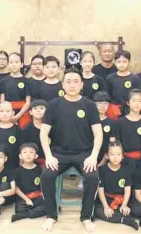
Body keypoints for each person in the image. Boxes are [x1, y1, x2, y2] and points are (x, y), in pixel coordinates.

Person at [40, 68, 102, 232]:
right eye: (68, 81)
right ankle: (51, 215)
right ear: (63, 84)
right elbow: (43, 132)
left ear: (82, 84)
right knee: (46, 175)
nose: (72, 85)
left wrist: (93, 156)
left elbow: (98, 134)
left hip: (84, 153)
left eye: (76, 81)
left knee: (92, 176)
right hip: (59, 154)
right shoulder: (54, 105)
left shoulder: (89, 105)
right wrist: (48, 156)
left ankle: (86, 217)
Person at [95, 141, 138, 230]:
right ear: (107, 156)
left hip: (121, 200)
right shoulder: (102, 170)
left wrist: (124, 205)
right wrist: (106, 207)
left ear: (122, 156)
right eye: (112, 154)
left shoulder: (127, 170)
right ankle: (124, 220)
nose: (115, 157)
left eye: (118, 154)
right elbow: (101, 190)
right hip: (107, 200)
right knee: (97, 211)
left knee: (133, 209)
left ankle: (118, 216)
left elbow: (127, 190)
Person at [11, 143, 46, 222]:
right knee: (19, 209)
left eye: (31, 152)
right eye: (25, 152)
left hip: (37, 196)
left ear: (36, 156)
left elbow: (43, 184)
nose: (28, 155)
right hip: (24, 197)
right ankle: (32, 211)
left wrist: (44, 195)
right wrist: (27, 199)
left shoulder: (39, 169)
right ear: (20, 156)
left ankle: (25, 215)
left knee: (49, 205)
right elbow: (16, 188)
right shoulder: (17, 171)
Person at [116, 89, 141, 169]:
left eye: (140, 101)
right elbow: (117, 143)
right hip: (125, 161)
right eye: (134, 101)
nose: (137, 104)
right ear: (128, 103)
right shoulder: (120, 122)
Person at [106, 50, 141, 120]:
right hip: (114, 110)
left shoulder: (135, 78)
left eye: (124, 61)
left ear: (129, 62)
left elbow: (139, 94)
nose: (121, 64)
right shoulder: (110, 78)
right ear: (115, 62)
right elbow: (107, 94)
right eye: (119, 62)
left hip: (131, 109)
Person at [0, 53, 31, 129]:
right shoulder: (3, 81)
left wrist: (17, 116)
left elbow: (28, 102)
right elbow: (2, 101)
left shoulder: (27, 81)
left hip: (23, 112)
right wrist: (7, 114)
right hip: (8, 111)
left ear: (21, 64)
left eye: (17, 62)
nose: (14, 65)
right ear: (8, 64)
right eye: (11, 62)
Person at [0, 101, 21, 169]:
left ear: (13, 113)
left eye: (8, 111)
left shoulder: (17, 130)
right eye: (2, 111)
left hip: (13, 167)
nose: (4, 114)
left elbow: (21, 150)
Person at [21, 99, 48, 167]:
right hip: (32, 162)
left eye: (41, 108)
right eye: (35, 108)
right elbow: (23, 149)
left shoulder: (52, 128)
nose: (38, 110)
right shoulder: (26, 130)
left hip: (50, 160)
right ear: (30, 112)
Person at [93, 91, 116, 165]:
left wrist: (104, 160)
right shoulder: (89, 122)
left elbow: (111, 144)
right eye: (99, 103)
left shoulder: (112, 123)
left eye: (106, 104)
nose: (103, 106)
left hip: (106, 157)